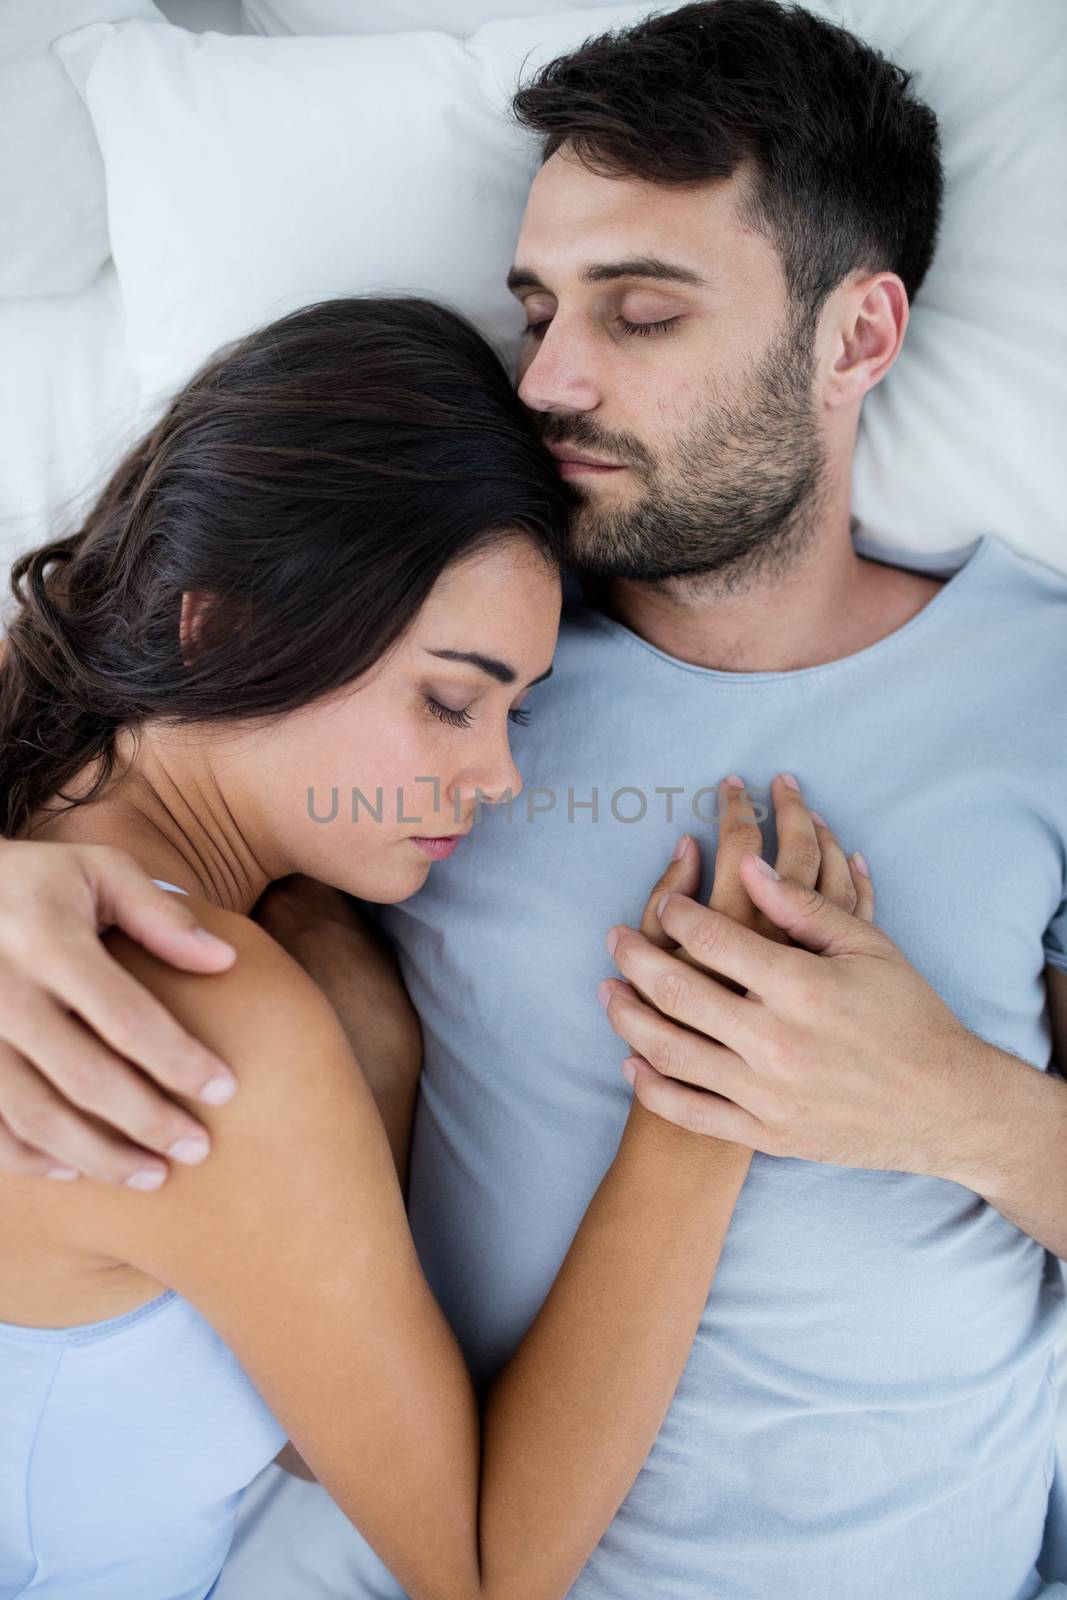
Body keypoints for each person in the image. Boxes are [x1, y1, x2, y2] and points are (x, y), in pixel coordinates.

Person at [1, 1, 1066, 1595]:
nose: (553, 379)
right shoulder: (449, 647)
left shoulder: (1039, 690)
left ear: (856, 337)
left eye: (639, 314)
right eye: (536, 310)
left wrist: (958, 1111)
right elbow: (167, 727)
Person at [0, 290, 871, 1598]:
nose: (503, 777)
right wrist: (704, 1100)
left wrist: (374, 1036)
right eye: (452, 699)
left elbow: (303, 1418)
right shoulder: (203, 1013)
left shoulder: (55, 799)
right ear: (228, 625)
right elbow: (480, 1570)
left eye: (516, 710)